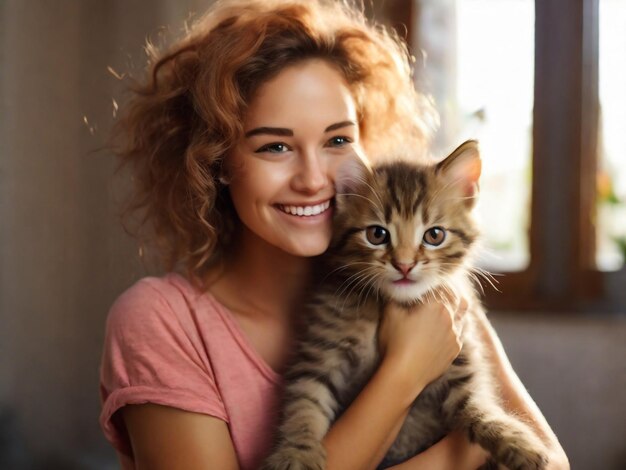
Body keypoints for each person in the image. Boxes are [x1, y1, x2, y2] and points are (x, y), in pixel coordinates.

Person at [99, 1, 569, 469]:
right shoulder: (162, 321)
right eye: (276, 146)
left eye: (338, 141)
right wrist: (408, 380)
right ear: (216, 160)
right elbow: (487, 447)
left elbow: (549, 462)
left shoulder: (429, 289)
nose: (314, 178)